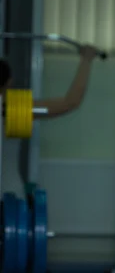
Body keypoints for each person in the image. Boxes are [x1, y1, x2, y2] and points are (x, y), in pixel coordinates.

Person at [0, 44, 101, 197]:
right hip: (8, 196)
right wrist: (86, 60)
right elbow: (71, 102)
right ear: (9, 82)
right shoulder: (14, 108)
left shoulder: (14, 108)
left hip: (8, 200)